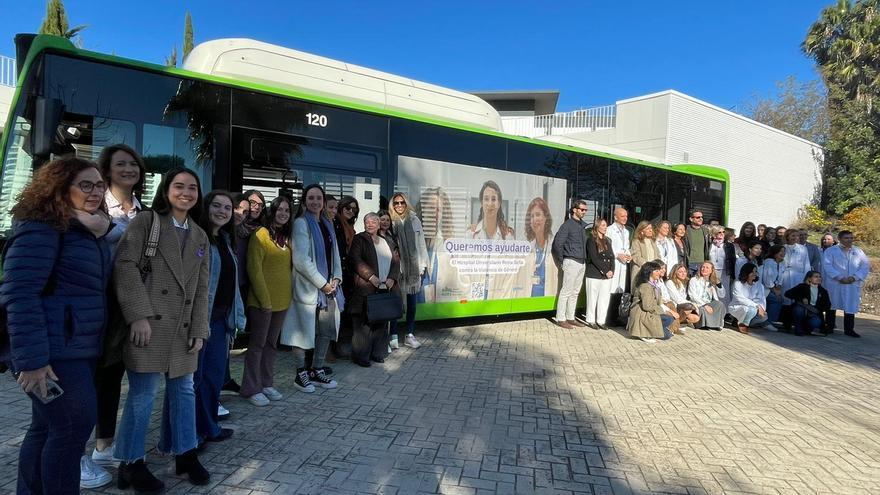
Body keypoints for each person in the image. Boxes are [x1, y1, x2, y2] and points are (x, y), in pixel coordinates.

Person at [0, 157, 112, 494]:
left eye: (99, 185)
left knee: (47, 428)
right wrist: (32, 361)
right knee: (72, 428)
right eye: (85, 185)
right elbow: (19, 293)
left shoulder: (85, 228)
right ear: (61, 188)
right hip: (54, 353)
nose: (96, 191)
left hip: (76, 347)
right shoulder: (42, 226)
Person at [113, 167, 210, 490]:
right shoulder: (146, 222)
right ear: (166, 189)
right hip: (149, 326)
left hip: (182, 330)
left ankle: (185, 453)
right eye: (179, 186)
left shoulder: (200, 235)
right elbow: (125, 266)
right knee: (143, 396)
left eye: (192, 187)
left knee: (183, 392)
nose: (186, 192)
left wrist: (200, 328)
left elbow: (200, 288)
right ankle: (130, 462)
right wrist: (137, 315)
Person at [83, 144, 146, 487]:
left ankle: (103, 444)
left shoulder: (144, 211)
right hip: (97, 305)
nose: (128, 169)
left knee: (113, 378)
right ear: (107, 170)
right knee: (90, 381)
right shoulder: (92, 205)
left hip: (130, 308)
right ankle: (80, 452)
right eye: (120, 164)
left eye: (133, 164)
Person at [189, 191, 245, 447]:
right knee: (195, 380)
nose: (222, 211)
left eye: (227, 207)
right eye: (217, 206)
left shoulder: (224, 238)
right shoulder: (196, 237)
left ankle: (209, 426)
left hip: (222, 320)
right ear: (206, 207)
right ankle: (191, 434)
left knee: (213, 378)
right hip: (200, 321)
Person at [281, 184, 344, 391]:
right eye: (311, 198)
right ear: (305, 201)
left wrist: (336, 278)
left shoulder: (327, 223)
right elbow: (301, 260)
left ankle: (317, 370)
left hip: (328, 288)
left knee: (325, 331)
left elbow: (334, 255)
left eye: (319, 198)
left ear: (324, 201)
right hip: (310, 288)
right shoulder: (301, 223)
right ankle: (300, 374)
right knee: (302, 332)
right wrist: (323, 284)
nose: (315, 202)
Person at [240, 196, 293, 406]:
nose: (283, 213)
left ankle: (267, 383)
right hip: (263, 302)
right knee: (257, 345)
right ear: (272, 211)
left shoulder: (285, 237)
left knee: (272, 344)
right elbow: (254, 269)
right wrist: (265, 301)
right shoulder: (260, 235)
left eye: (287, 211)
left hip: (282, 301)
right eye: (279, 209)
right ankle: (251, 388)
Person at [223, 189, 265, 396]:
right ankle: (221, 382)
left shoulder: (257, 230)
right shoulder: (228, 230)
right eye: (250, 204)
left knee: (229, 336)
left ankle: (224, 379)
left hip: (243, 285)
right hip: (227, 288)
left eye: (259, 205)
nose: (253, 208)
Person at [348, 213, 401, 366]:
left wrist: (392, 277)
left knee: (381, 323)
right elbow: (355, 259)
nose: (370, 224)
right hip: (367, 288)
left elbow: (396, 260)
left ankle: (378, 353)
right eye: (367, 222)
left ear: (379, 225)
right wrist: (371, 277)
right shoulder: (360, 239)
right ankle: (361, 357)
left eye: (373, 222)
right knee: (364, 325)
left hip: (385, 287)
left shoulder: (386, 241)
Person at [389, 192, 429, 350]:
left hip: (413, 267)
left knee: (412, 304)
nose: (399, 206)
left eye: (402, 203)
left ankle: (409, 335)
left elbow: (421, 244)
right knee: (395, 303)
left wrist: (423, 265)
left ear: (406, 204)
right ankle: (392, 336)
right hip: (397, 268)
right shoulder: (390, 221)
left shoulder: (414, 220)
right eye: (396, 203)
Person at [823, 230, 870, 337]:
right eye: (846, 238)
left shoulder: (858, 251)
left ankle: (849, 330)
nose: (849, 240)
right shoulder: (831, 251)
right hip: (836, 283)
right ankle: (829, 327)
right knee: (832, 304)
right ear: (839, 239)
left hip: (852, 283)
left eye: (851, 238)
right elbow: (827, 266)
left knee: (850, 305)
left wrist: (855, 277)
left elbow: (865, 266)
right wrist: (839, 277)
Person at [551, 200, 588, 329]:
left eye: (585, 210)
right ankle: (560, 318)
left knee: (575, 292)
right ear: (574, 210)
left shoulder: (582, 226)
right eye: (582, 209)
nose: (584, 212)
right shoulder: (567, 225)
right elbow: (557, 244)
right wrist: (563, 260)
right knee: (566, 291)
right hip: (571, 261)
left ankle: (570, 317)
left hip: (582, 262)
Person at [627, 262, 674, 343]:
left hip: (650, 312)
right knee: (667, 327)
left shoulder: (655, 285)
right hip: (642, 314)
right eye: (656, 271)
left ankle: (653, 330)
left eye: (659, 270)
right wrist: (662, 311)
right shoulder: (646, 286)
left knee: (669, 323)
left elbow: (658, 302)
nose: (659, 272)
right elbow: (647, 306)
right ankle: (644, 333)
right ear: (649, 272)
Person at [584, 218, 614, 329]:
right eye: (603, 225)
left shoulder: (608, 240)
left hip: (607, 276)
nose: (605, 227)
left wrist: (612, 271)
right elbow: (594, 258)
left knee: (604, 298)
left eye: (606, 225)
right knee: (592, 298)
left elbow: (612, 257)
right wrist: (605, 271)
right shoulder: (591, 240)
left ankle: (601, 321)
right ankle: (590, 320)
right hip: (594, 273)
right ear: (597, 227)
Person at [729, 263, 775, 334]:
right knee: (751, 310)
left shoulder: (759, 285)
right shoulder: (738, 283)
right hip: (738, 306)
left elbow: (761, 299)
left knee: (763, 317)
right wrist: (756, 306)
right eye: (752, 272)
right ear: (746, 272)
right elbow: (740, 299)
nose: (754, 274)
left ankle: (739, 321)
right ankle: (744, 324)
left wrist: (761, 308)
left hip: (754, 308)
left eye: (755, 272)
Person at [780, 229, 811, 330]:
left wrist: (807, 279)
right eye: (793, 235)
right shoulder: (782, 248)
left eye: (797, 236)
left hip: (798, 277)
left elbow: (806, 264)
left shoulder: (803, 249)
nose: (795, 238)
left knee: (796, 300)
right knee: (786, 300)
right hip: (785, 276)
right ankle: (786, 323)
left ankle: (797, 323)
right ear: (787, 236)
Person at [525, 197, 556, 297]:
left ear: (546, 218)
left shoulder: (555, 244)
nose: (534, 220)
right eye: (531, 216)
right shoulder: (528, 248)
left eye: (537, 215)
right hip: (530, 299)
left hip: (548, 299)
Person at [785, 271, 832, 336]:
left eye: (820, 277)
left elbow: (828, 305)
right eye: (816, 277)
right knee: (799, 310)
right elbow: (787, 293)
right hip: (802, 309)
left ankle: (806, 329)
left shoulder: (823, 291)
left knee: (816, 323)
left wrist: (819, 309)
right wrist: (801, 298)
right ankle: (798, 329)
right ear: (809, 278)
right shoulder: (802, 286)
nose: (819, 278)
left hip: (813, 312)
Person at [688, 261, 727, 330]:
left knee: (720, 304)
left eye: (707, 268)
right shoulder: (694, 280)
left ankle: (715, 324)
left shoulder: (711, 281)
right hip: (699, 303)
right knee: (703, 309)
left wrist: (718, 284)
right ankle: (703, 325)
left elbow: (722, 295)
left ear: (711, 271)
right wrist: (704, 305)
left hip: (710, 303)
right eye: (703, 267)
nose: (704, 269)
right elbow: (692, 295)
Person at [665, 263, 701, 327]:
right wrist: (693, 304)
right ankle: (675, 324)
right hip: (673, 306)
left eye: (684, 272)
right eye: (680, 272)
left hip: (681, 306)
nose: (683, 273)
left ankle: (680, 323)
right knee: (689, 307)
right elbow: (677, 299)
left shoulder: (683, 283)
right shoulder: (670, 282)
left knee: (696, 318)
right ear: (675, 272)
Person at [708, 226, 735, 307]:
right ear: (714, 233)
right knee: (712, 290)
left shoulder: (729, 245)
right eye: (719, 232)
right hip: (712, 271)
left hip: (724, 271)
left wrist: (732, 274)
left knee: (724, 291)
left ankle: (726, 312)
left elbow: (732, 260)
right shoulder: (709, 244)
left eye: (723, 232)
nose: (722, 234)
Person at [607, 207, 631, 294]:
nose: (625, 218)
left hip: (623, 264)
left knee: (621, 291)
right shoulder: (609, 230)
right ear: (615, 217)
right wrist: (617, 255)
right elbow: (607, 248)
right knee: (611, 290)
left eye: (626, 216)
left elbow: (626, 247)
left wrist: (628, 255)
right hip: (613, 263)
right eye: (622, 216)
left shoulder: (626, 232)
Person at [630, 221, 660, 290]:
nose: (650, 230)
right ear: (641, 231)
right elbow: (636, 256)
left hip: (653, 272)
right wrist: (648, 266)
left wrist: (657, 266)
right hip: (640, 271)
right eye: (648, 229)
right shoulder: (636, 241)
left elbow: (658, 255)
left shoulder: (653, 242)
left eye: (651, 228)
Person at [761, 244, 786, 326]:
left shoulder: (782, 263)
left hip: (774, 289)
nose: (783, 253)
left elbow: (780, 278)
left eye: (784, 251)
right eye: (780, 251)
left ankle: (771, 321)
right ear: (775, 253)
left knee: (780, 299)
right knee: (775, 299)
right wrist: (775, 291)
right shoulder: (769, 262)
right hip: (765, 288)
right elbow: (767, 279)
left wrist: (778, 288)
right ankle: (769, 322)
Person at [685, 209, 710, 274]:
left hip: (702, 264)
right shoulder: (685, 230)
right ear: (691, 219)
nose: (701, 219)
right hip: (689, 263)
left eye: (702, 217)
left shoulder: (705, 230)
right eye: (698, 217)